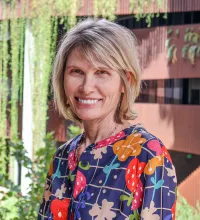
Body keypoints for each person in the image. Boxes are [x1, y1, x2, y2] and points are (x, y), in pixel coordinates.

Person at [38, 18, 177, 220]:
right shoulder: (61, 157)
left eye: (101, 72)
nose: (86, 87)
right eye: (76, 71)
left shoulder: (149, 156)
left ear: (125, 81)